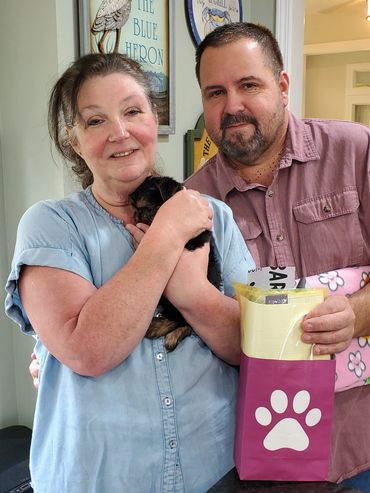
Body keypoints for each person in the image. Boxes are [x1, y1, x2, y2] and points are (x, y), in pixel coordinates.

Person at [4, 52, 255, 493]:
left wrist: (192, 291)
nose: (120, 133)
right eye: (95, 121)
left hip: (215, 472)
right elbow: (89, 351)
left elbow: (250, 346)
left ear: (153, 118)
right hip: (97, 478)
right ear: (73, 140)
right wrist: (166, 236)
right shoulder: (50, 225)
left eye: (132, 111)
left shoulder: (214, 215)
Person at [185, 22, 370, 491]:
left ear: (282, 86)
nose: (231, 106)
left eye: (248, 85)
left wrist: (356, 312)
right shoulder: (191, 204)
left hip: (361, 438)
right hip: (261, 456)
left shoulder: (355, 151)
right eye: (215, 93)